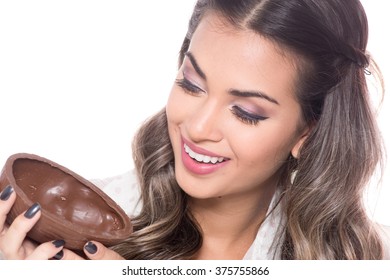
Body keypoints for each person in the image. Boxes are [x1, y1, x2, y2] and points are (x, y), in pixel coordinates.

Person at [1, 0, 389, 260]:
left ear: (308, 132)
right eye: (191, 84)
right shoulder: (83, 228)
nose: (198, 127)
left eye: (247, 112)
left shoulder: (368, 257)